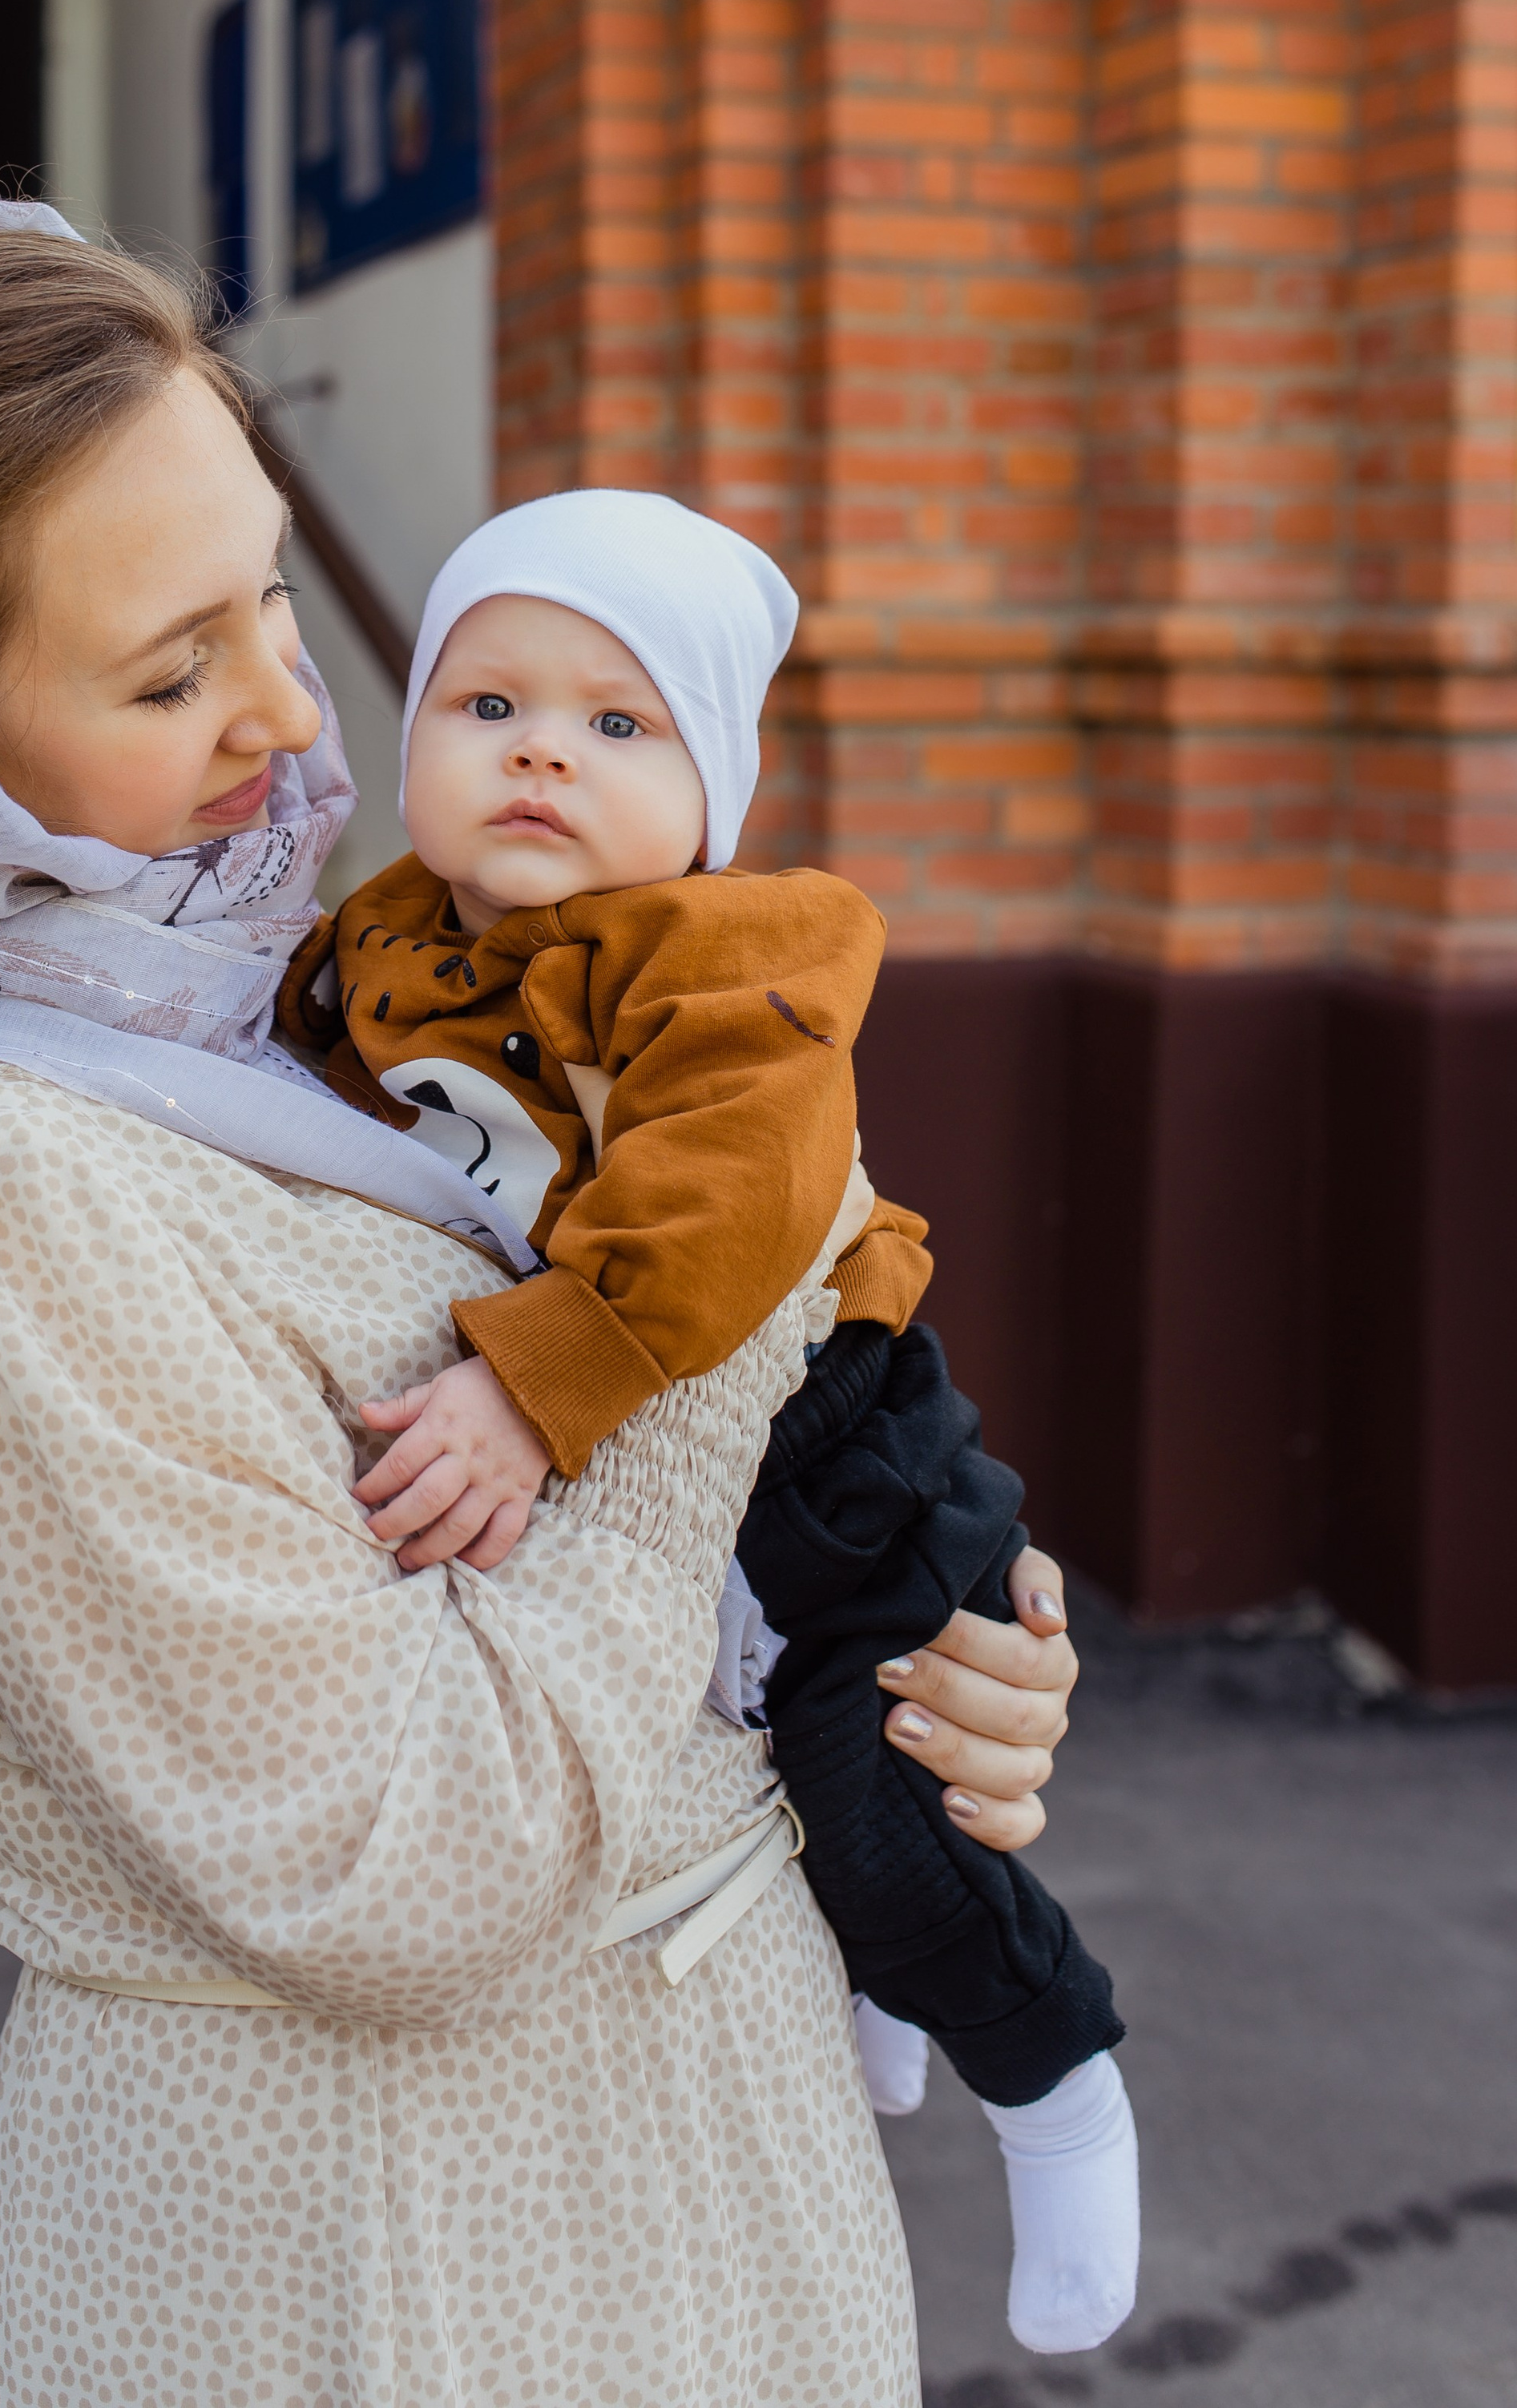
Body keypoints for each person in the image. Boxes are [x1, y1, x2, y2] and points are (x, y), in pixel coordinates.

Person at [0, 201, 1084, 2408]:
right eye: (169, 671)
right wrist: (721, 1324)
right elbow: (393, 1861)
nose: (287, 699)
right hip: (365, 2269)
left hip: (660, 2193)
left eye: (270, 587)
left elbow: (648, 1593)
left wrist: (937, 1660)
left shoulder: (278, 1021)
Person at [279, 494, 1138, 2356]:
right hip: (665, 1494)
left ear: (707, 785)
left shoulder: (722, 955)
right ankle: (895, 2001)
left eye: (617, 722)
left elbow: (730, 1199)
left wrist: (532, 1379)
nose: (536, 749)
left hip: (843, 1463)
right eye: (484, 698)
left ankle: (1050, 2075)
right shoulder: (371, 947)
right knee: (787, 1823)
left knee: (884, 1815)